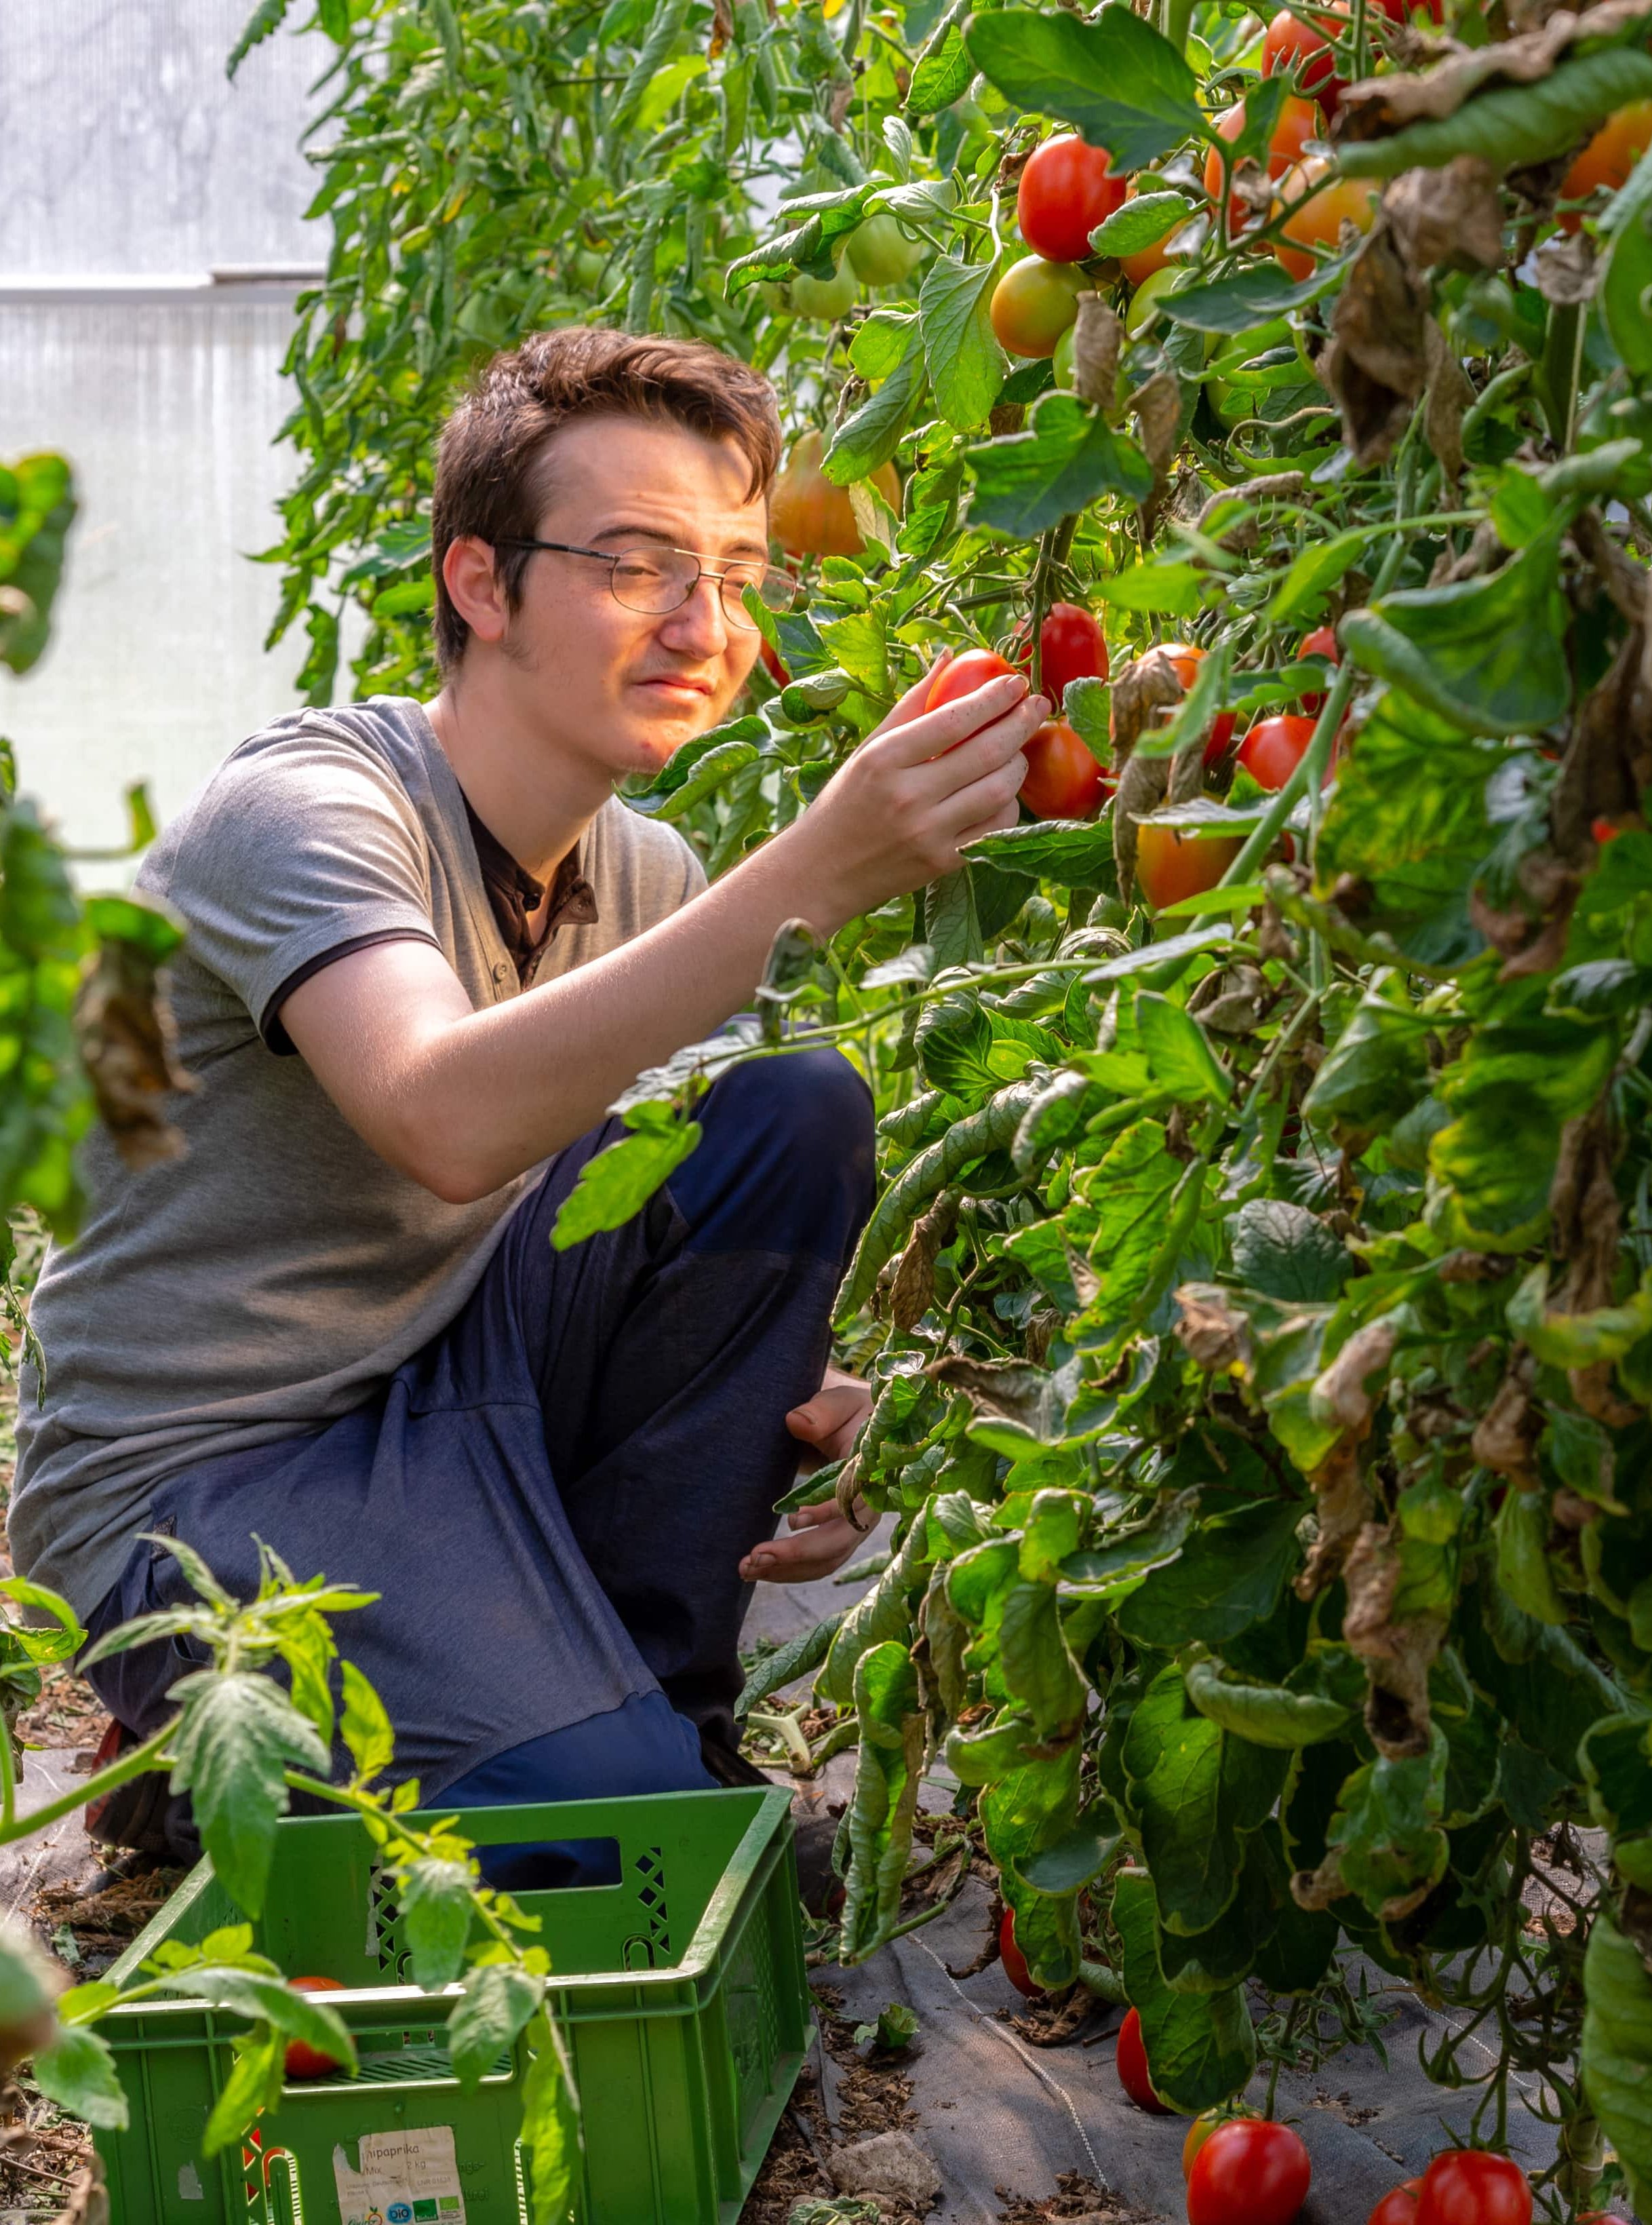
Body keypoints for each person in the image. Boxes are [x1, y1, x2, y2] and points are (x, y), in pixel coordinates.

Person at [9, 327, 1046, 1868]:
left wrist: (811, 1408)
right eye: (638, 565)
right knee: (616, 1847)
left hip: (460, 1399)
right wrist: (815, 871)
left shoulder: (647, 877)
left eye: (739, 575)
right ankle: (207, 1735)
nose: (706, 623)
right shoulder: (305, 810)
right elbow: (441, 1115)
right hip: (204, 1476)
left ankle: (657, 1712)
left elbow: (668, 1224)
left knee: (784, 1104)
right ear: (479, 583)